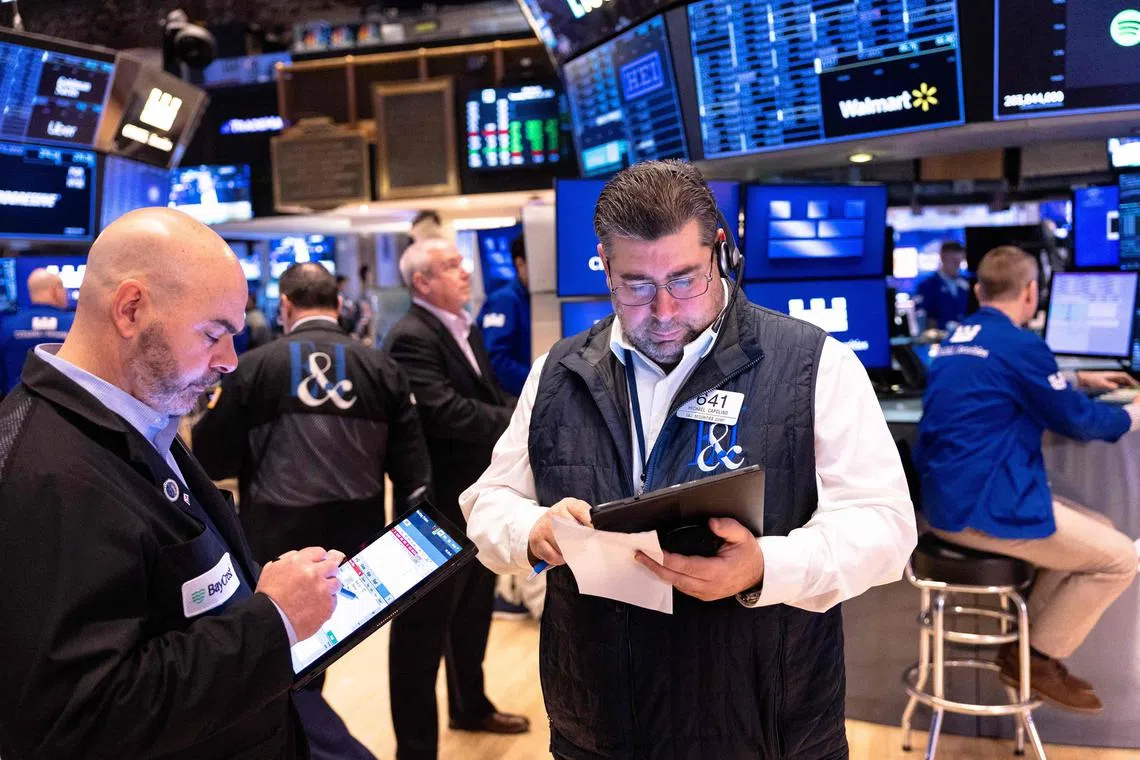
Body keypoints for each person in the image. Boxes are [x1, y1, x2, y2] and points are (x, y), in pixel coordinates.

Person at [461, 160, 917, 759]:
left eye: (684, 278)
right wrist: (533, 529)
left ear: (720, 252)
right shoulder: (558, 372)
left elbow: (886, 526)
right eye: (637, 285)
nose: (665, 309)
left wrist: (764, 566)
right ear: (604, 265)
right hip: (596, 727)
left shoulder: (813, 365)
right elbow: (488, 503)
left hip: (762, 729)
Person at [0, 208, 344, 759]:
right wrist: (271, 619)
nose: (230, 361)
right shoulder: (47, 475)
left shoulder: (138, 417)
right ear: (131, 308)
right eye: (214, 333)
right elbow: (77, 719)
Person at [193, 261, 431, 760]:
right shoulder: (381, 367)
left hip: (272, 551)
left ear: (285, 305)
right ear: (339, 303)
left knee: (284, 668)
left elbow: (211, 457)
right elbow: (413, 473)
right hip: (356, 552)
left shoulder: (252, 366)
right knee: (311, 670)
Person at [915, 245, 1140, 714]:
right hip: (983, 511)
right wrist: (1134, 415)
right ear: (1032, 292)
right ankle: (1037, 658)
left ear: (978, 290)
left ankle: (1024, 649)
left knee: (1095, 526)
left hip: (944, 506)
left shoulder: (958, 337)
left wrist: (1076, 378)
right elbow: (1078, 422)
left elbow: (1003, 380)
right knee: (1120, 558)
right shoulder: (1020, 344)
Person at [383, 237, 529, 760]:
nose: (464, 273)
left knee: (472, 613)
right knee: (421, 632)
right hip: (435, 507)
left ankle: (470, 706)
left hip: (478, 498)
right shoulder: (410, 337)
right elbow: (445, 413)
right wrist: (522, 423)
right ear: (422, 281)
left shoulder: (461, 326)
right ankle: (415, 749)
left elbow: (483, 398)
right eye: (450, 267)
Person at [0, 268, 75, 394]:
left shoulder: (8, 326)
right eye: (63, 289)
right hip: (66, 408)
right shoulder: (73, 324)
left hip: (17, 407)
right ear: (55, 290)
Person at [477, 234, 532, 397]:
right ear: (520, 263)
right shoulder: (505, 300)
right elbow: (496, 360)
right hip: (511, 400)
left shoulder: (533, 299)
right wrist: (538, 380)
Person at [914, 240, 970, 330]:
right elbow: (923, 317)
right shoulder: (927, 286)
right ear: (943, 257)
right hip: (939, 337)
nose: (956, 266)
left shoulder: (967, 283)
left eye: (959, 262)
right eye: (953, 261)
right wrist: (945, 326)